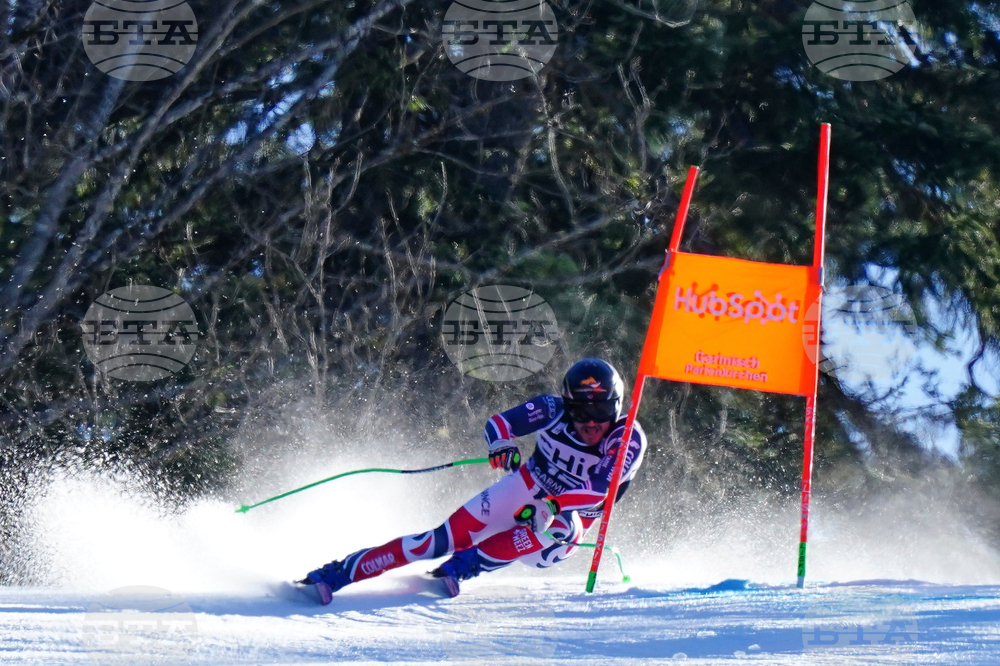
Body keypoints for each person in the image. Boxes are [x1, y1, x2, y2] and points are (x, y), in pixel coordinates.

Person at [299, 358, 647, 603]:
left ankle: (464, 567)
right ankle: (334, 575)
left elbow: (598, 489)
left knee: (558, 524)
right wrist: (501, 445)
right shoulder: (552, 409)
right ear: (567, 405)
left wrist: (554, 504)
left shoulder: (627, 436)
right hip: (526, 487)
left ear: (616, 407)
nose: (590, 423)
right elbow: (499, 424)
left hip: (566, 523)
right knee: (438, 540)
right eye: (580, 412)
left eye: (601, 411)